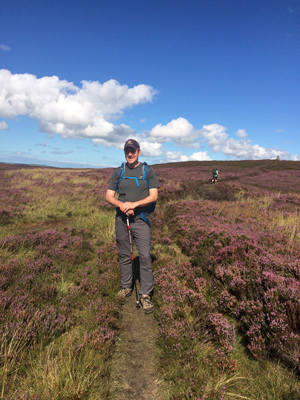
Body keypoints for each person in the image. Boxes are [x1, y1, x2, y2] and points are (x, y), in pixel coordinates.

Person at [105, 139, 159, 314]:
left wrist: (133, 205)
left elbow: (153, 196)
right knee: (124, 254)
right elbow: (109, 196)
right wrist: (121, 205)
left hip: (141, 219)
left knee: (144, 256)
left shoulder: (147, 171)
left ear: (139, 152)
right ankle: (126, 286)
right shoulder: (119, 171)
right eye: (127, 150)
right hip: (122, 219)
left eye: (133, 151)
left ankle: (145, 294)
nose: (130, 154)